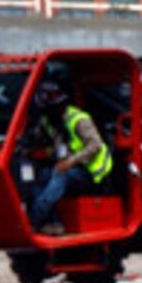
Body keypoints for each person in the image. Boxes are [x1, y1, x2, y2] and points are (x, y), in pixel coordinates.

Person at [26, 78, 111, 234]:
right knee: (40, 176)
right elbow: (56, 146)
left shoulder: (79, 119)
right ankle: (53, 222)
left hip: (91, 174)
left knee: (60, 174)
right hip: (70, 167)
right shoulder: (49, 121)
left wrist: (70, 162)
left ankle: (33, 220)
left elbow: (95, 145)